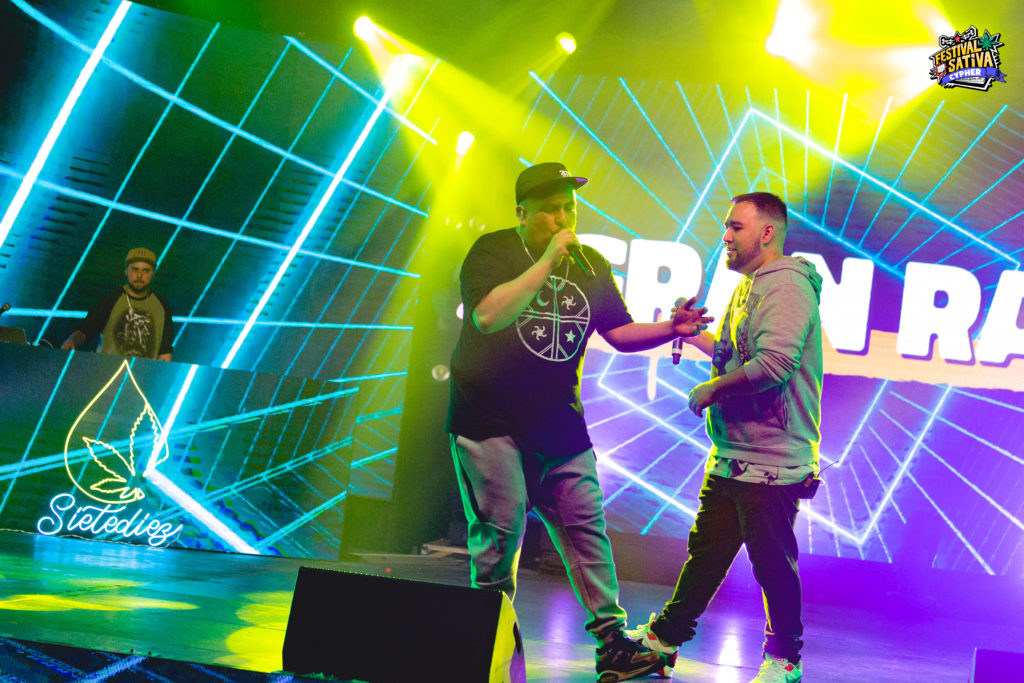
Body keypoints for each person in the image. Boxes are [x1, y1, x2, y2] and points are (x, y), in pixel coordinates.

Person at [446, 161, 713, 683]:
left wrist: (671, 328)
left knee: (587, 531)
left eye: (570, 208)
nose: (564, 219)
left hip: (559, 424)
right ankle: (488, 641)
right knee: (500, 537)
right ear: (522, 213)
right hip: (488, 419)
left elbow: (619, 332)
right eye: (551, 210)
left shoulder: (592, 264)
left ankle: (612, 643)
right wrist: (548, 259)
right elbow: (487, 316)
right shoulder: (492, 252)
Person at [627, 192, 823, 683]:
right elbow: (738, 358)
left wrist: (713, 389)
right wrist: (691, 333)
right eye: (727, 226)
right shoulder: (751, 283)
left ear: (767, 232)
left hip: (771, 457)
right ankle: (665, 639)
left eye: (736, 227)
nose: (726, 236)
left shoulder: (787, 286)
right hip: (736, 452)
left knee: (771, 563)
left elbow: (774, 365)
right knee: (708, 553)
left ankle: (785, 660)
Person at [61, 247, 174, 361]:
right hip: (108, 370)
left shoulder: (161, 304)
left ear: (153, 273)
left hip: (144, 371)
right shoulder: (111, 299)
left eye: (146, 271)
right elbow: (86, 329)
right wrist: (73, 340)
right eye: (135, 269)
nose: (139, 275)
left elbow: (165, 351)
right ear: (126, 271)